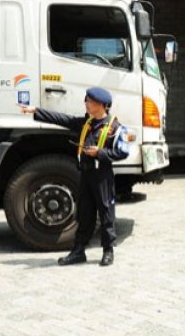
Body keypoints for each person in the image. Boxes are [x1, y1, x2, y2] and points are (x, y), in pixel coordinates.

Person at [19, 87, 129, 266]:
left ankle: (108, 250)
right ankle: (79, 251)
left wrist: (100, 153)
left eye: (90, 102)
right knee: (84, 213)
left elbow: (122, 152)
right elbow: (62, 119)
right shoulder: (86, 123)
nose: (86, 104)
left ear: (101, 105)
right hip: (85, 174)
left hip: (102, 176)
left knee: (106, 212)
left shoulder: (114, 128)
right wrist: (36, 111)